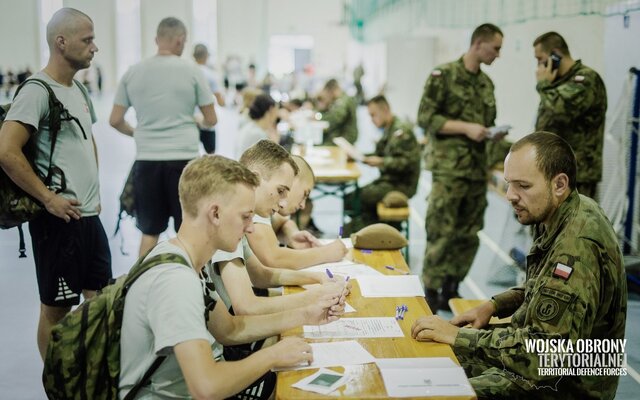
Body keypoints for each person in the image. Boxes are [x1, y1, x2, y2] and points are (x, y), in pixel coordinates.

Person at [411, 131, 627, 399]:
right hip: (544, 359)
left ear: (559, 184)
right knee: (428, 357)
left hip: (566, 383)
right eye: (509, 184)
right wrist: (494, 305)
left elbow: (543, 356)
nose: (510, 196)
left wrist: (457, 336)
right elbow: (543, 286)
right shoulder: (563, 211)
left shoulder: (577, 246)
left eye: (523, 186)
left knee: (435, 389)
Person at [119, 155, 343, 399]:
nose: (250, 228)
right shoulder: (176, 281)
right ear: (215, 214)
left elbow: (229, 329)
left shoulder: (188, 261)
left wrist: (307, 314)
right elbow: (207, 387)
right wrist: (273, 355)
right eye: (245, 217)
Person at [0, 8, 111, 360]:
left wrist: (93, 193)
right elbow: (6, 149)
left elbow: (86, 139)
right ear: (61, 42)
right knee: (56, 310)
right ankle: (55, 384)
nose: (95, 48)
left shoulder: (77, 88)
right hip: (58, 222)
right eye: (87, 39)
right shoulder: (36, 91)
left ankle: (91, 379)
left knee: (102, 302)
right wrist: (48, 199)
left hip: (89, 217)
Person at [109, 17, 217, 257]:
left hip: (147, 162)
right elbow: (211, 119)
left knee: (149, 233)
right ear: (180, 40)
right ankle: (193, 287)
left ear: (157, 40)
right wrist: (196, 120)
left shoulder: (132, 72)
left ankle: (140, 287)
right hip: (185, 162)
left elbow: (115, 120)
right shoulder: (192, 70)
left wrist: (139, 133)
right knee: (189, 232)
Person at [417, 23, 505, 312]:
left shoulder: (487, 84)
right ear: (478, 44)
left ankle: (452, 287)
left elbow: (487, 121)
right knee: (442, 229)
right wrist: (466, 128)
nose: (498, 55)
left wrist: (492, 134)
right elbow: (426, 117)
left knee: (469, 233)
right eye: (495, 48)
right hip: (450, 169)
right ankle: (430, 287)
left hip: (476, 170)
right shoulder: (443, 75)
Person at [533, 32, 607, 199]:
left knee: (573, 224)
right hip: (552, 170)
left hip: (576, 175)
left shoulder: (585, 79)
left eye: (540, 59)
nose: (539, 67)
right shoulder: (557, 82)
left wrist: (543, 85)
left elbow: (561, 110)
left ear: (556, 55)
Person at [247, 154, 347, 269]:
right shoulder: (260, 203)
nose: (303, 205)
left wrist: (292, 234)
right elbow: (274, 258)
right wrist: (326, 253)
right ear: (291, 179)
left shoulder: (270, 205)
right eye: (305, 194)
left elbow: (283, 222)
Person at [344, 95, 421, 233]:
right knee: (351, 198)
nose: (372, 120)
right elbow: (379, 154)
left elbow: (407, 163)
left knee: (357, 199)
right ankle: (369, 227)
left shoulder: (401, 131)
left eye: (373, 115)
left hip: (402, 184)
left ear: (385, 110)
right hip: (389, 181)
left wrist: (382, 162)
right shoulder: (389, 129)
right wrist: (358, 156)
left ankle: (376, 230)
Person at [193, 43, 225, 154]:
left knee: (192, 157)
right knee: (211, 157)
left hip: (191, 121)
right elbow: (220, 101)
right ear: (207, 56)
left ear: (193, 56)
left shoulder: (188, 73)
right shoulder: (210, 75)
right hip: (207, 119)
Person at [236, 94, 279, 158]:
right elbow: (271, 161)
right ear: (271, 110)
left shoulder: (250, 126)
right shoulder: (258, 134)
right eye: (276, 110)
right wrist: (276, 144)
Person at [317, 78, 358, 145]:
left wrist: (319, 117)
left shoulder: (343, 100)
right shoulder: (339, 100)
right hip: (340, 136)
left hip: (345, 137)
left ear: (332, 91)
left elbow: (336, 118)